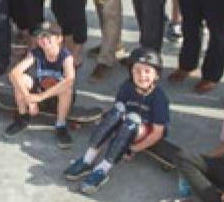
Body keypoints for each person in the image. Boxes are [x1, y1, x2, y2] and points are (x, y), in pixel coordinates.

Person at [64, 47, 170, 194]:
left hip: (143, 132)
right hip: (126, 125)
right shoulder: (127, 87)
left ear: (156, 75)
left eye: (147, 71)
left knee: (132, 120)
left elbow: (158, 132)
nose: (142, 75)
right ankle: (88, 159)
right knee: (116, 111)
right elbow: (118, 108)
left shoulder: (159, 98)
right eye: (137, 70)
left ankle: (102, 170)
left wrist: (133, 149)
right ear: (131, 72)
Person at [5, 21, 77, 147]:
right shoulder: (36, 53)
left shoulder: (66, 57)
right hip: (39, 95)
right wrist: (30, 99)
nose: (43, 40)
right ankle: (22, 116)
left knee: (66, 87)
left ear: (59, 38)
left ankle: (61, 125)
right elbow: (14, 73)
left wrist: (39, 97)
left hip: (57, 100)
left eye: (47, 36)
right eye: (40, 37)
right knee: (20, 79)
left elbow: (70, 79)